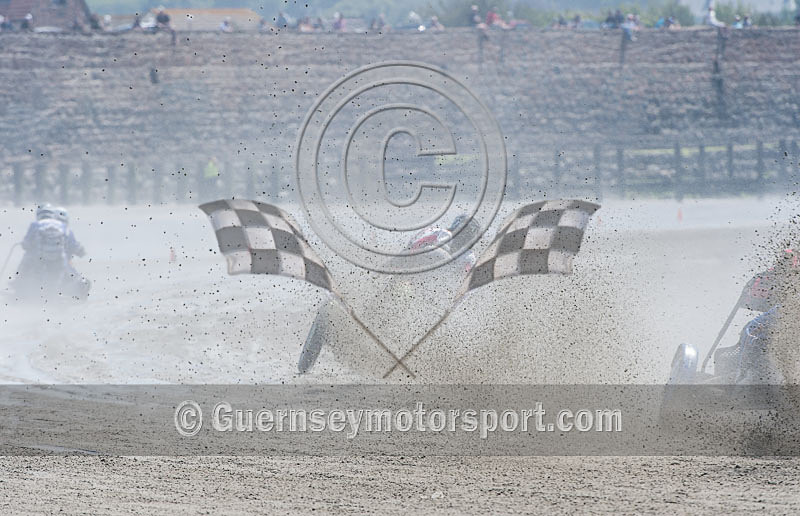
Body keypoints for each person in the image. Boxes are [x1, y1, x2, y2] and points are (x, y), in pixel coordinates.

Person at [14, 204, 89, 299]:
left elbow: (26, 242)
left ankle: (18, 284)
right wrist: (81, 252)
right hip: (59, 259)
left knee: (27, 260)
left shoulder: (35, 225)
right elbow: (75, 246)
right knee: (67, 270)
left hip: (39, 258)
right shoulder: (63, 226)